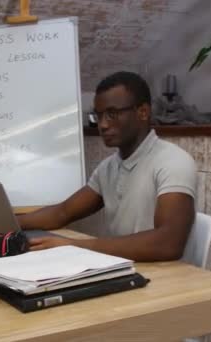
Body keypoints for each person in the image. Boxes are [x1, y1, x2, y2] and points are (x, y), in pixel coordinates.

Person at [18, 71, 197, 262]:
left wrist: (74, 246)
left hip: (168, 282)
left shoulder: (173, 162)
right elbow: (62, 212)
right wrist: (4, 223)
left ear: (143, 112)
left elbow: (169, 243)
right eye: (99, 115)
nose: (102, 125)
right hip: (124, 270)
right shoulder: (109, 167)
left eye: (112, 114)